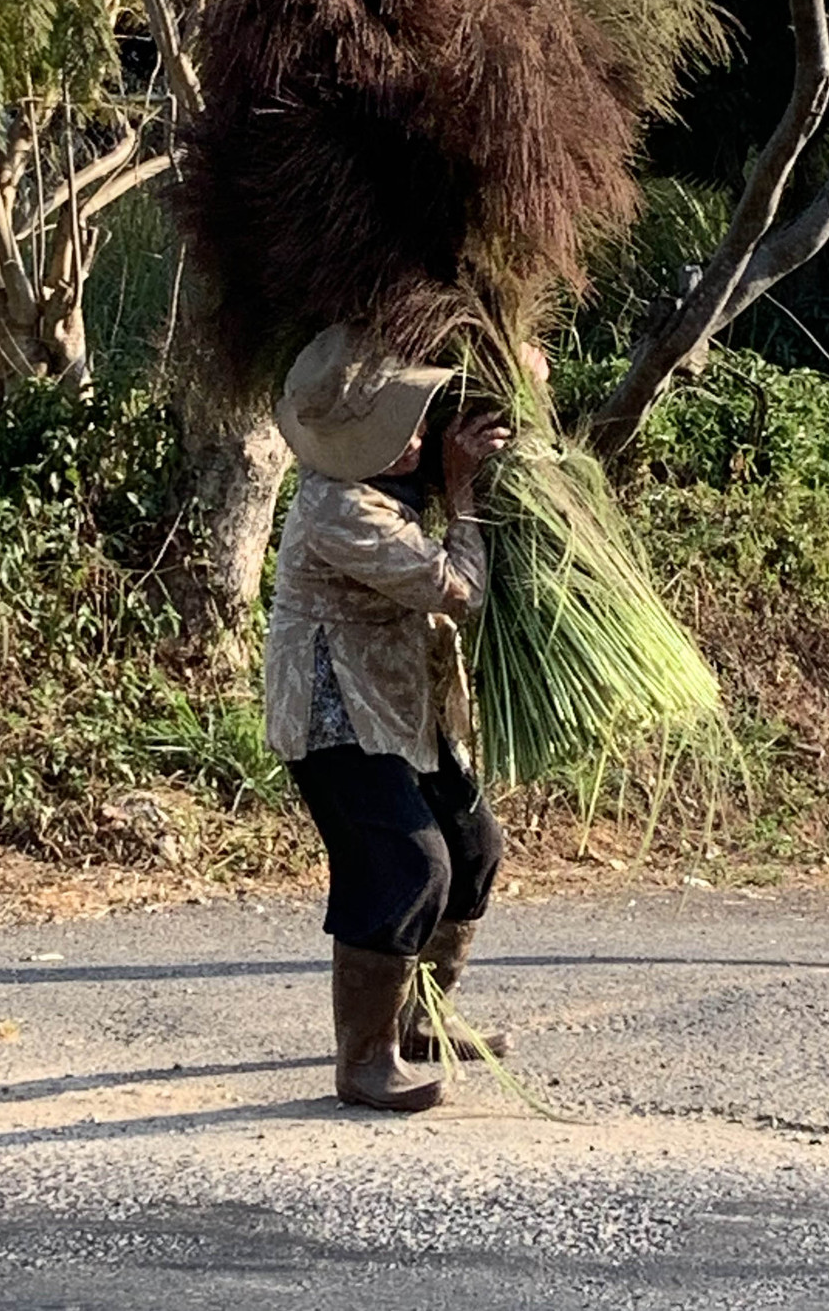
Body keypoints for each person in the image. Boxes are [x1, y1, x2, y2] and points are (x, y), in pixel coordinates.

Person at [265, 323, 512, 1113]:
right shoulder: (338, 507)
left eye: (412, 423)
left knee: (473, 849)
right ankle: (365, 1059)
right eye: (392, 432)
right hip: (334, 714)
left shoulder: (388, 476)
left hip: (404, 705)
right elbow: (458, 590)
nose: (413, 441)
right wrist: (463, 493)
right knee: (406, 866)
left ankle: (417, 1020)